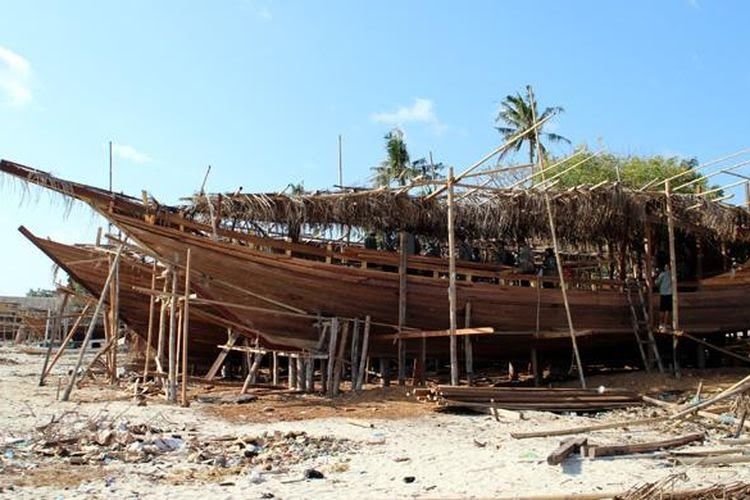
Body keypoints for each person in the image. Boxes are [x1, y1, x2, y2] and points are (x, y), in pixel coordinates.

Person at [655, 263, 673, 332]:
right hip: (669, 293)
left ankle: (661, 323)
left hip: (664, 293)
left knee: (663, 309)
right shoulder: (671, 274)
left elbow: (657, 282)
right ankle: (665, 323)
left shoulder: (662, 274)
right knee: (667, 309)